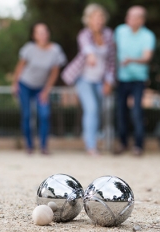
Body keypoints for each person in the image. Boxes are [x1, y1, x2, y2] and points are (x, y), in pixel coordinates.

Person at [62, 3, 115, 156]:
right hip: (83, 78)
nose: (99, 20)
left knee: (98, 110)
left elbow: (111, 61)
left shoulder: (108, 35)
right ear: (89, 20)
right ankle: (91, 146)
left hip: (100, 79)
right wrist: (91, 55)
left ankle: (94, 140)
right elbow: (86, 47)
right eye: (95, 17)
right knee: (91, 108)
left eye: (101, 17)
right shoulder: (84, 34)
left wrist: (109, 81)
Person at [12, 23, 66, 154]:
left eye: (45, 31)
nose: (43, 34)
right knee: (27, 115)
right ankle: (29, 146)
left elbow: (54, 73)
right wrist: (15, 84)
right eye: (39, 32)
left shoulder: (55, 50)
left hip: (41, 87)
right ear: (34, 35)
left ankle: (43, 147)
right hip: (25, 85)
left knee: (44, 114)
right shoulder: (28, 49)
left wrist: (46, 91)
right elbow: (20, 67)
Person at [114, 6, 156, 156]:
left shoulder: (148, 36)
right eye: (128, 15)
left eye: (132, 16)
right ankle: (122, 143)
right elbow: (113, 50)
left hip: (139, 79)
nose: (128, 19)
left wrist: (131, 60)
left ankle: (138, 145)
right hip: (122, 78)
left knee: (136, 112)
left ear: (141, 20)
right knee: (120, 112)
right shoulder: (120, 31)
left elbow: (147, 57)